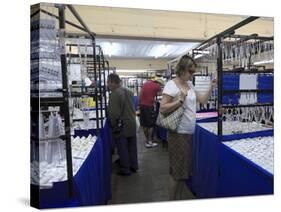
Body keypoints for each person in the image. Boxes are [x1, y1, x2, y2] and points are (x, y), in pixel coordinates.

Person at [159, 54, 216, 200]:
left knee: (182, 173)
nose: (192, 74)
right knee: (177, 173)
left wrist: (212, 86)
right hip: (178, 133)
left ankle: (176, 200)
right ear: (182, 69)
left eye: (193, 71)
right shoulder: (171, 85)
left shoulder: (189, 85)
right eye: (191, 71)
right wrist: (179, 101)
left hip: (189, 132)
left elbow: (202, 100)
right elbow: (163, 108)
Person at [107, 73, 138, 176]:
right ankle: (134, 165)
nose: (107, 85)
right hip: (132, 122)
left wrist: (113, 125)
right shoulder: (129, 92)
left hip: (122, 125)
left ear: (112, 82)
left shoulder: (114, 94)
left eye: (108, 82)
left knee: (122, 147)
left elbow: (114, 113)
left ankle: (125, 169)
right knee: (132, 146)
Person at [139, 77, 163, 148]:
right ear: (158, 83)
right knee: (151, 125)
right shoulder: (157, 86)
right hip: (149, 107)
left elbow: (140, 95)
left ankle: (147, 140)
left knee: (144, 124)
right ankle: (150, 142)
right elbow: (161, 94)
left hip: (142, 106)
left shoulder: (145, 84)